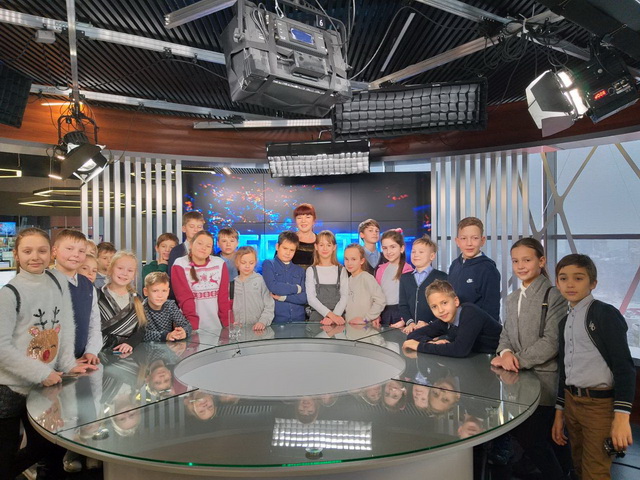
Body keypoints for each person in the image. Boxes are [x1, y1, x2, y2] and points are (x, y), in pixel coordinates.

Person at [0, 228, 92, 479]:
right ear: (16, 255)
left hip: (42, 386)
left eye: (41, 250)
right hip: (9, 388)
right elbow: (2, 348)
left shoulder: (57, 280)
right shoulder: (9, 294)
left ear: (50, 253)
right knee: (5, 452)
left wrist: (67, 363)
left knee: (45, 444)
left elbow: (66, 325)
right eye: (27, 251)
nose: (35, 257)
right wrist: (42, 373)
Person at [490, 238, 569, 479]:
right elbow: (505, 334)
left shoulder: (554, 295)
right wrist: (505, 353)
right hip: (516, 379)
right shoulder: (512, 298)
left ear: (541, 261)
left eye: (527, 260)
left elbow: (551, 342)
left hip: (544, 381)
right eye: (515, 261)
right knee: (532, 440)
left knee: (538, 440)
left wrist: (515, 359)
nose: (520, 266)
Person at [551, 254, 635, 480]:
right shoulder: (565, 321)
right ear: (557, 283)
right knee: (578, 466)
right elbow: (565, 370)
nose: (570, 284)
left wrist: (621, 417)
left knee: (595, 471)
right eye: (563, 278)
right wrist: (560, 413)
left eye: (578, 278)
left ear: (593, 283)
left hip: (599, 406)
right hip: (572, 402)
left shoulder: (604, 313)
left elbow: (624, 366)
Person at [403, 280, 502, 357]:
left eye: (444, 303)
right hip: (479, 358)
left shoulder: (470, 313)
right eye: (434, 306)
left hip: (500, 356)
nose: (440, 310)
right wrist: (431, 342)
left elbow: (460, 350)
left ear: (456, 301)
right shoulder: (445, 320)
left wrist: (419, 346)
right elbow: (413, 335)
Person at [52, 229, 102, 364]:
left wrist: (91, 351)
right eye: (69, 249)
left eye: (81, 251)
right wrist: (65, 362)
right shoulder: (46, 282)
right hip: (53, 364)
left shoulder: (88, 285)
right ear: (54, 251)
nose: (75, 254)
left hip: (82, 360)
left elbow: (94, 323)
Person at [172, 230, 231, 332]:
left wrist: (227, 324)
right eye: (200, 243)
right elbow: (184, 298)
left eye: (208, 246)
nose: (204, 248)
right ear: (191, 245)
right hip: (190, 326)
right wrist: (193, 327)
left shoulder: (219, 263)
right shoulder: (179, 264)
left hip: (216, 326)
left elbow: (223, 297)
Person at [447, 217, 501, 321]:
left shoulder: (488, 269)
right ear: (457, 241)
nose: (469, 243)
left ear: (482, 241)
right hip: (453, 327)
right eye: (463, 238)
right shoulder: (454, 265)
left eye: (475, 238)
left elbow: (492, 311)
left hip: (476, 328)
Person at [98, 250, 147, 353]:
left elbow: (141, 329)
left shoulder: (137, 299)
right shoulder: (97, 295)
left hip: (126, 353)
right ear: (110, 269)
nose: (124, 273)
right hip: (98, 352)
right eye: (120, 268)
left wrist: (130, 343)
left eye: (130, 270)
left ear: (134, 275)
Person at [398, 235, 447, 333]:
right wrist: (410, 323)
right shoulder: (405, 278)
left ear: (432, 256)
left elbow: (446, 306)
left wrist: (430, 324)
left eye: (421, 252)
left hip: (435, 330)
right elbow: (403, 305)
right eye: (413, 252)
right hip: (411, 330)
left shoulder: (442, 277)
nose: (416, 255)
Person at [262, 231, 307, 324]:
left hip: (299, 321)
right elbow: (273, 287)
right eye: (285, 248)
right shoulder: (269, 264)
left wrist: (283, 297)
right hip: (276, 321)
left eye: (292, 250)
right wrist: (296, 288)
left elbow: (304, 297)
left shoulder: (300, 270)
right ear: (277, 246)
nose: (288, 253)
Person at [306, 230, 348, 325]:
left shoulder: (341, 270)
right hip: (317, 319)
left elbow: (345, 297)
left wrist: (334, 317)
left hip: (338, 319)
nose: (325, 248)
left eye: (328, 245)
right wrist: (331, 316)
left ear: (334, 247)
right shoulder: (311, 270)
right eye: (321, 245)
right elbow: (311, 299)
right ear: (316, 247)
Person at [232, 246, 274, 331]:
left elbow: (269, 305)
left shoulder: (261, 281)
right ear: (237, 262)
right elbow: (228, 308)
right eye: (243, 262)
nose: (247, 266)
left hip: (259, 330)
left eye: (251, 263)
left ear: (255, 262)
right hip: (239, 330)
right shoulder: (232, 284)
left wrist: (262, 322)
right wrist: (232, 322)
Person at [375, 229, 413, 326]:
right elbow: (377, 295)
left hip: (401, 315)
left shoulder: (407, 270)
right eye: (385, 248)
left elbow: (411, 299)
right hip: (383, 313)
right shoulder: (380, 269)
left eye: (392, 247)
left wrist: (404, 320)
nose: (388, 251)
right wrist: (376, 315)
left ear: (402, 248)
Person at [142, 272, 192, 342]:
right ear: (146, 291)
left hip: (168, 346)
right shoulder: (141, 309)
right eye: (155, 291)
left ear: (168, 292)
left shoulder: (170, 305)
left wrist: (184, 332)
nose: (160, 295)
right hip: (146, 347)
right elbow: (141, 334)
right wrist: (166, 336)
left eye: (164, 291)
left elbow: (186, 325)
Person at [343, 243, 386, 325]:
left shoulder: (367, 278)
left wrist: (366, 319)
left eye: (353, 259)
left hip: (365, 328)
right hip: (350, 327)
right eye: (346, 259)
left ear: (362, 261)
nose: (349, 263)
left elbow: (380, 300)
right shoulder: (348, 280)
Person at [167, 211, 206, 285]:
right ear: (184, 228)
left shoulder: (207, 249)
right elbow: (172, 277)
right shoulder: (176, 251)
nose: (196, 230)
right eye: (192, 226)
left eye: (199, 227)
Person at [291, 203, 316, 269]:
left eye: (308, 217)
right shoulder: (288, 240)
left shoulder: (320, 241)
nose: (303, 221)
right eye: (299, 218)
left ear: (314, 220)